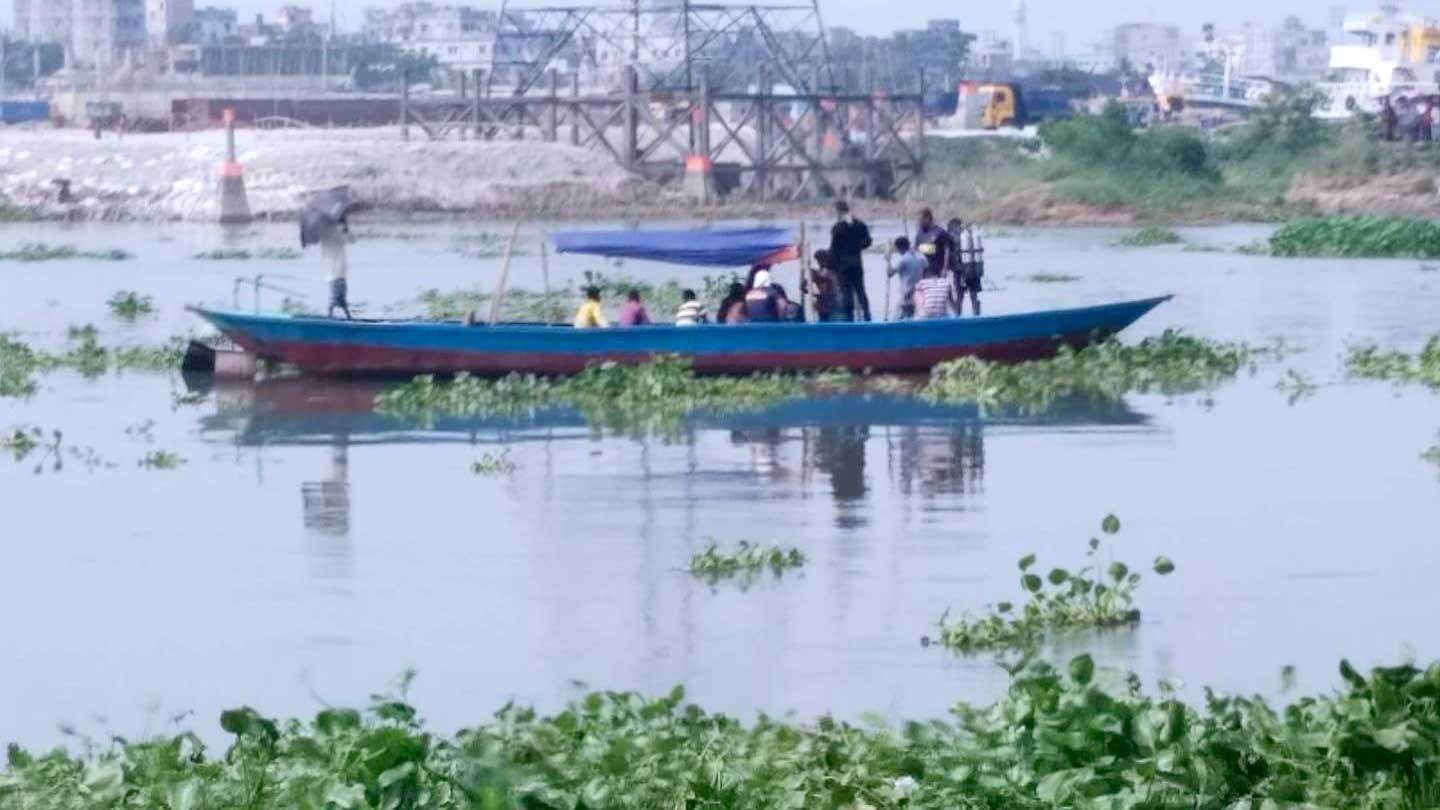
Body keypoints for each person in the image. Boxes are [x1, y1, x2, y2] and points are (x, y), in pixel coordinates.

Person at [828, 199, 873, 322]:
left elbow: (833, 249)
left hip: (843, 265)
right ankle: (867, 315)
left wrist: (830, 265)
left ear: (839, 211)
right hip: (857, 263)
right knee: (860, 290)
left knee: (847, 293)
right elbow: (868, 241)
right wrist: (858, 246)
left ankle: (850, 318)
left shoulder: (837, 227)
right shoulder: (860, 224)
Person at [887, 236, 927, 320]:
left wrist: (888, 261)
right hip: (920, 291)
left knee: (897, 318)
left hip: (907, 292)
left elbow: (890, 274)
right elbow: (926, 267)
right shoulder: (921, 256)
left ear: (900, 248)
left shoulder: (904, 259)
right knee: (913, 316)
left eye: (897, 249)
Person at [950, 218, 983, 316]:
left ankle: (957, 317)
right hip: (972, 268)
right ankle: (977, 316)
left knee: (960, 297)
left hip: (960, 271)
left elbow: (952, 256)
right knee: (974, 295)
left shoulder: (952, 237)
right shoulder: (970, 235)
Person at [321, 223, 352, 320]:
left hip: (339, 274)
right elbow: (349, 239)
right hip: (336, 275)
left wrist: (344, 231)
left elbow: (349, 240)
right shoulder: (331, 237)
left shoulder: (331, 236)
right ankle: (329, 318)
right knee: (335, 299)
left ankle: (349, 318)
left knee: (342, 300)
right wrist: (345, 230)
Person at [914, 208, 954, 280]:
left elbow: (947, 250)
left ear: (927, 218)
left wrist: (945, 268)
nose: (919, 222)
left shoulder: (939, 232)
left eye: (920, 220)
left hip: (939, 268)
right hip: (925, 270)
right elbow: (917, 249)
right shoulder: (920, 233)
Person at [809, 249, 840, 322]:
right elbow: (815, 290)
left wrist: (815, 276)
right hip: (822, 304)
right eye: (817, 261)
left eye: (819, 260)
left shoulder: (831, 272)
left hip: (830, 305)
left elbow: (826, 285)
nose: (818, 262)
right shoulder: (820, 271)